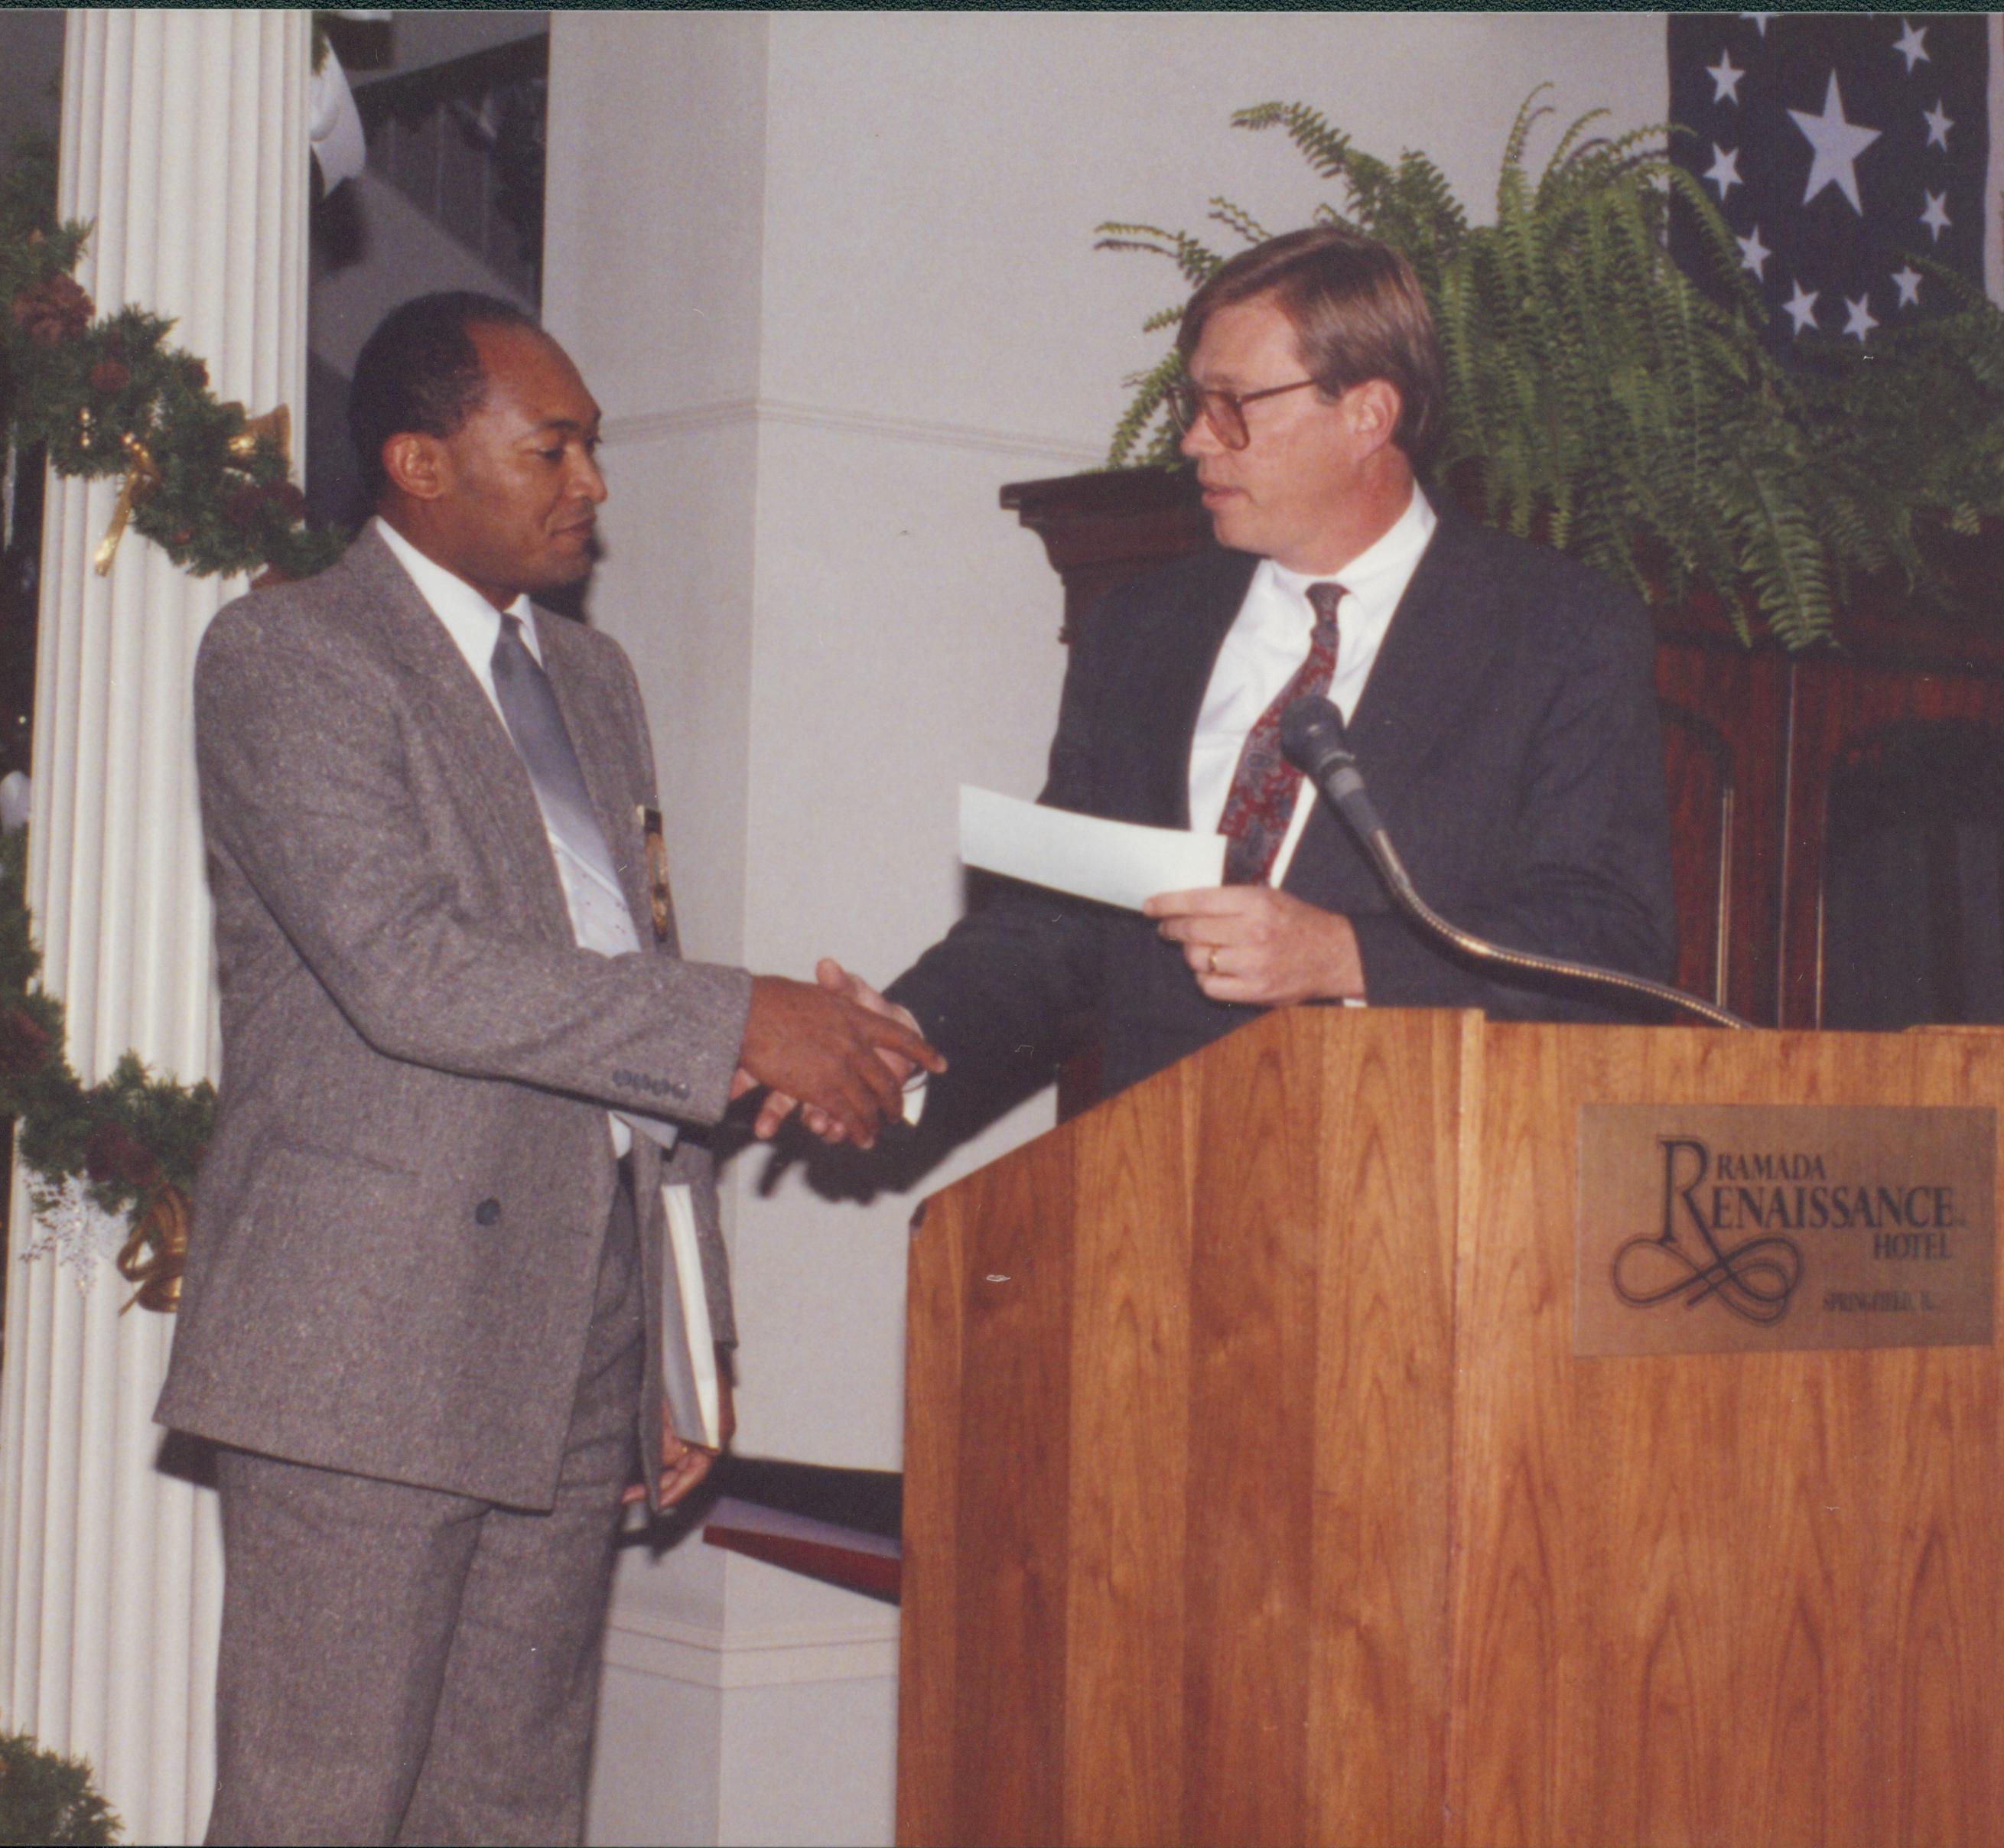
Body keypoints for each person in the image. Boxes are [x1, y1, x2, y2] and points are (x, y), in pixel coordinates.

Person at [160, 291, 939, 1846]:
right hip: (364, 1353)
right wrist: (741, 1018)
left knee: (512, 1809)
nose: (591, 485)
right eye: (554, 446)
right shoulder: (292, 654)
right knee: (318, 1807)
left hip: (577, 1336)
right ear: (417, 461)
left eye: (591, 448)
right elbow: (409, 971)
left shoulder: (596, 681)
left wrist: (679, 1335)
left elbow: (626, 982)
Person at [798, 226, 1674, 1138]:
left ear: (1368, 414)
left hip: (1412, 1200)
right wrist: (905, 1034)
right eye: (1194, 402)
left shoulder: (1555, 629)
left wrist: (1345, 957)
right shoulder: (1141, 632)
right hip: (1149, 1198)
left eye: (1232, 405)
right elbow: (1055, 926)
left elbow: (1608, 941)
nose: (1192, 440)